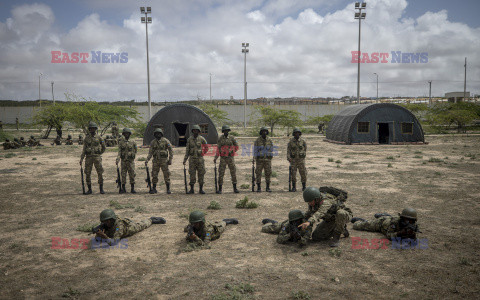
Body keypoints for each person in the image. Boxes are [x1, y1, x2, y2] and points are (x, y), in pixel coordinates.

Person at [93, 209, 166, 246]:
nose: (105, 223)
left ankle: (151, 220)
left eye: (107, 221)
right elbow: (97, 239)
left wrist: (105, 237)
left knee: (140, 225)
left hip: (129, 228)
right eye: (104, 222)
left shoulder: (119, 226)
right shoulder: (105, 225)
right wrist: (99, 234)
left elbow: (114, 242)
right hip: (115, 230)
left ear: (112, 220)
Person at [351, 208, 421, 240]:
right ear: (402, 218)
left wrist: (413, 235)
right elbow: (388, 235)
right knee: (356, 226)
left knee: (388, 217)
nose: (409, 222)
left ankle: (383, 215)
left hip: (389, 219)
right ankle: (362, 220)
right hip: (381, 224)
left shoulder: (412, 225)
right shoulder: (394, 223)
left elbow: (414, 238)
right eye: (407, 220)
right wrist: (400, 233)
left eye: (411, 221)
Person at [80, 122, 106, 194]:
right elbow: (84, 149)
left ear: (95, 129)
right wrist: (81, 158)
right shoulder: (86, 138)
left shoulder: (99, 137)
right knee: (87, 173)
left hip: (97, 157)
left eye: (94, 128)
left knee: (100, 172)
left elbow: (104, 146)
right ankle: (89, 189)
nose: (92, 130)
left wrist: (100, 153)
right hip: (88, 157)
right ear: (89, 129)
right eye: (91, 128)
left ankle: (101, 189)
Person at [145, 128, 173, 194]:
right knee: (154, 175)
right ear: (154, 135)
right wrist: (147, 160)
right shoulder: (153, 142)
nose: (158, 135)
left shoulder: (166, 141)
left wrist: (170, 159)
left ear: (161, 134)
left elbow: (171, 150)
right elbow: (150, 152)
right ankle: (154, 188)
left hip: (164, 161)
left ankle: (168, 189)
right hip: (155, 161)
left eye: (159, 133)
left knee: (166, 175)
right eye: (156, 134)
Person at [214, 125, 239, 194]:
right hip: (223, 158)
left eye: (227, 130)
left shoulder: (232, 138)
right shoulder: (220, 138)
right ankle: (220, 189)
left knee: (233, 172)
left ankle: (235, 188)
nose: (226, 132)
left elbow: (237, 146)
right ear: (223, 131)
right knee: (221, 173)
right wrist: (216, 157)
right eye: (224, 131)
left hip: (230, 158)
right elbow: (218, 149)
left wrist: (232, 151)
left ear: (228, 131)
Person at [183, 125, 207, 194]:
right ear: (192, 131)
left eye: (197, 130)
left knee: (201, 173)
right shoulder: (189, 139)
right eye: (194, 130)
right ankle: (192, 189)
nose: (195, 131)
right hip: (192, 159)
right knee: (192, 174)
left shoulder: (202, 139)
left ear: (199, 131)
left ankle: (201, 189)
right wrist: (185, 159)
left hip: (200, 159)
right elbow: (187, 150)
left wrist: (202, 153)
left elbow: (206, 147)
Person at [116, 128, 137, 193]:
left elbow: (135, 150)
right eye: (125, 133)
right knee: (123, 174)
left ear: (130, 134)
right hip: (123, 161)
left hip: (130, 161)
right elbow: (119, 151)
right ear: (123, 134)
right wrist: (118, 159)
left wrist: (132, 155)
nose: (126, 134)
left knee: (132, 174)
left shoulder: (133, 142)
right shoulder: (121, 142)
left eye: (128, 133)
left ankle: (132, 188)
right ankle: (123, 188)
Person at [253, 127, 274, 192]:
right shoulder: (257, 140)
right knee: (258, 173)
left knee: (268, 173)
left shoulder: (269, 140)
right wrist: (254, 158)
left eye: (265, 131)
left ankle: (268, 187)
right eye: (263, 131)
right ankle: (259, 187)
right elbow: (255, 150)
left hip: (267, 160)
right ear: (261, 132)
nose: (264, 132)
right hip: (259, 160)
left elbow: (272, 149)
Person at [287, 127, 307, 192]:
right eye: (296, 133)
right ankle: (294, 187)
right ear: (294, 134)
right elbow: (288, 151)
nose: (297, 134)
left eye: (298, 133)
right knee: (293, 174)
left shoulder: (303, 141)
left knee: (303, 173)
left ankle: (304, 187)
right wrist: (289, 158)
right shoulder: (291, 141)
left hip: (301, 160)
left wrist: (303, 155)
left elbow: (305, 149)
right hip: (293, 161)